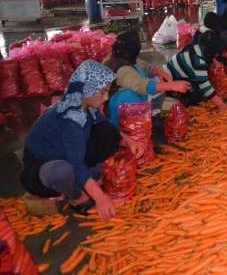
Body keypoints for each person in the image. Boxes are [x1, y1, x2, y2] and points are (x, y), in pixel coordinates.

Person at [20, 60, 142, 220]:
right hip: (41, 167)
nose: (105, 98)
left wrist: (129, 141)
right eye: (102, 92)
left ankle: (83, 181)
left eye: (107, 92)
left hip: (67, 154)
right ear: (87, 90)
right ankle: (76, 197)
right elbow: (76, 164)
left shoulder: (86, 105)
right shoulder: (71, 118)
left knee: (107, 131)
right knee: (62, 172)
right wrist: (100, 197)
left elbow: (104, 125)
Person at [103, 31, 190, 127]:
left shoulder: (122, 57)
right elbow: (142, 85)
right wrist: (171, 86)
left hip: (138, 99)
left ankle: (150, 114)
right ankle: (138, 126)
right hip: (121, 111)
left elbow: (141, 64)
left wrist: (156, 71)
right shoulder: (121, 69)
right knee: (131, 95)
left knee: (158, 86)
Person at [165, 31, 227, 110]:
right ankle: (181, 98)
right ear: (210, 52)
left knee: (202, 88)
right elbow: (205, 85)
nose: (216, 57)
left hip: (180, 72)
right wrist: (221, 104)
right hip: (172, 80)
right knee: (195, 98)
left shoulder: (198, 47)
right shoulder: (198, 61)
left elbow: (212, 59)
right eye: (216, 54)